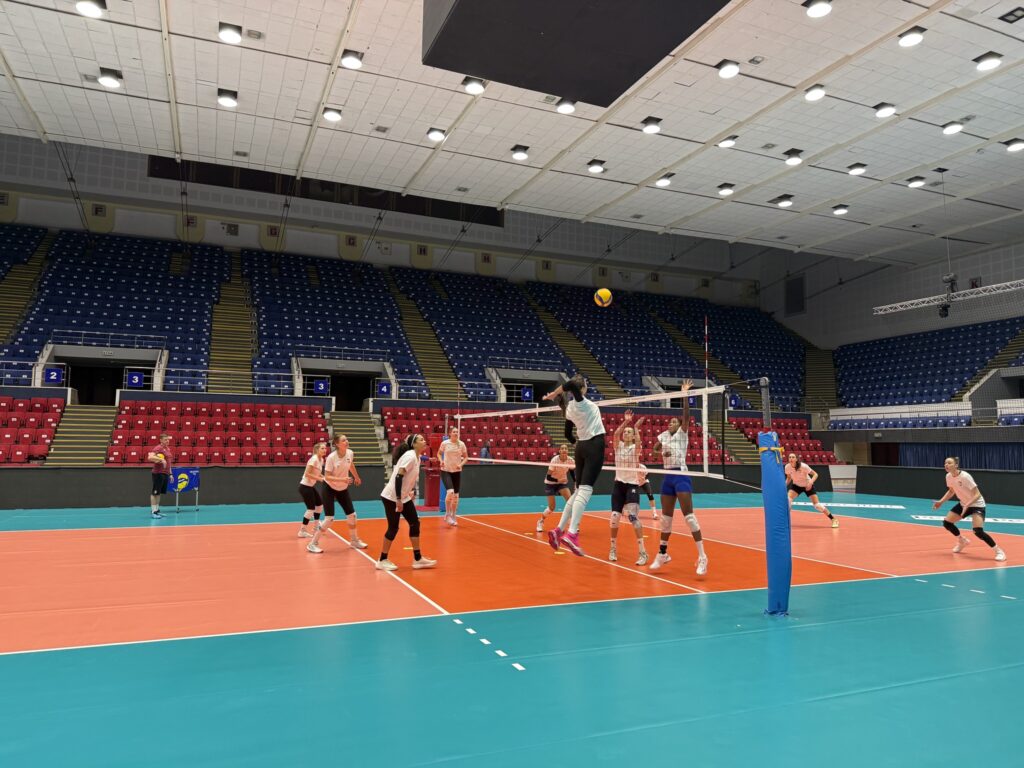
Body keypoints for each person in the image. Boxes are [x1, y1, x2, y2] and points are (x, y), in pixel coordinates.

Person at [543, 374, 605, 556]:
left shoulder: (570, 408)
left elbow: (567, 434)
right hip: (594, 444)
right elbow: (570, 384)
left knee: (578, 491)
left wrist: (575, 443)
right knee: (585, 490)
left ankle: (559, 530)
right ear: (582, 388)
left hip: (581, 447)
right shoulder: (582, 402)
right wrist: (555, 393)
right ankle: (572, 533)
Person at [650, 380, 707, 575]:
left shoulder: (682, 433)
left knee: (689, 517)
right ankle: (662, 554)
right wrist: (660, 452)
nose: (671, 423)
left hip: (681, 475)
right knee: (666, 520)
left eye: (674, 422)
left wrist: (684, 394)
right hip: (668, 477)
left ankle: (702, 557)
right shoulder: (664, 435)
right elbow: (654, 451)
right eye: (670, 422)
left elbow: (686, 415)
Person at [377, 434, 436, 571]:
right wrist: (398, 499)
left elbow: (410, 477)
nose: (424, 441)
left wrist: (410, 491)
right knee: (393, 528)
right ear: (414, 444)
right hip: (392, 497)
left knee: (415, 523)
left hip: (403, 496)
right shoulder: (410, 456)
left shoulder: (417, 457)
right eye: (421, 439)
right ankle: (382, 560)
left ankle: (418, 559)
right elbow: (399, 477)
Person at [932, 456, 1006, 561]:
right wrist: (941, 502)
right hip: (964, 504)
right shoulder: (948, 476)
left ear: (956, 465)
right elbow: (951, 491)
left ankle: (999, 551)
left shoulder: (965, 476)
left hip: (977, 504)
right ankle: (962, 541)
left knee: (978, 531)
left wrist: (967, 505)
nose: (946, 465)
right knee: (947, 523)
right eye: (945, 463)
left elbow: (977, 494)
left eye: (949, 463)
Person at [307, 434, 366, 554]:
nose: (347, 441)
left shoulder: (350, 453)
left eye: (347, 439)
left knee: (352, 515)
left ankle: (354, 540)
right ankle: (312, 544)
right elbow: (327, 476)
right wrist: (343, 479)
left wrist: (356, 477)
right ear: (337, 444)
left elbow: (350, 464)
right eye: (344, 440)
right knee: (329, 519)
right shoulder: (331, 458)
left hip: (342, 488)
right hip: (329, 487)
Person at [610, 410, 649, 566]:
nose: (625, 433)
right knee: (614, 517)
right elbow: (615, 434)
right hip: (618, 484)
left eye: (628, 432)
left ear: (633, 436)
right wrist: (626, 422)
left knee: (633, 518)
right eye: (625, 432)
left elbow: (638, 443)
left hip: (632, 485)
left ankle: (643, 552)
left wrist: (636, 429)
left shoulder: (635, 448)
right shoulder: (618, 446)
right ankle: (613, 549)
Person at [785, 453, 838, 528]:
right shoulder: (787, 467)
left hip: (807, 485)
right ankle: (786, 520)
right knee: (788, 499)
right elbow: (789, 478)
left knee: (817, 506)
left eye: (793, 457)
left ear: (796, 459)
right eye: (790, 457)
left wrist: (810, 482)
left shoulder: (803, 466)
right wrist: (783, 486)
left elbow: (815, 474)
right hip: (796, 485)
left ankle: (833, 519)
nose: (791, 458)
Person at [538, 443, 575, 533]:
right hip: (550, 483)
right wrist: (558, 480)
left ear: (567, 451)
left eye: (566, 448)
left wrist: (576, 482)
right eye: (562, 448)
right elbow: (548, 477)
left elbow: (572, 472)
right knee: (552, 507)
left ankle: (571, 524)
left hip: (562, 484)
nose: (564, 450)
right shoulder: (554, 460)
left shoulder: (570, 460)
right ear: (559, 451)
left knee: (570, 502)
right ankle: (541, 521)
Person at [438, 426, 468, 526]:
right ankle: (447, 514)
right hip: (446, 470)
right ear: (450, 433)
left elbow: (466, 457)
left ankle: (453, 515)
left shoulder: (461, 444)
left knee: (456, 496)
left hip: (456, 471)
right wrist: (441, 461)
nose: (456, 433)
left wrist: (461, 464)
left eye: (457, 432)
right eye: (454, 432)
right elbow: (439, 454)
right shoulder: (445, 443)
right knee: (450, 492)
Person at [297, 442, 328, 537]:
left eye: (325, 448)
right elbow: (307, 474)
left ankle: (316, 527)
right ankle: (302, 531)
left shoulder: (321, 460)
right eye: (322, 448)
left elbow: (317, 473)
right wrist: (320, 479)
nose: (325, 450)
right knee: (311, 509)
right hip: (305, 487)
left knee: (319, 505)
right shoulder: (313, 459)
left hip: (310, 486)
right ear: (317, 450)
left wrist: (325, 478)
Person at [146, 433, 174, 519]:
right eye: (165, 440)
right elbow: (150, 457)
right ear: (161, 440)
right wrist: (161, 459)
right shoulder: (158, 448)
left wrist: (170, 474)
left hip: (165, 473)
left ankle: (157, 511)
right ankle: (153, 512)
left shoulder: (167, 449)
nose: (167, 441)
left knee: (158, 493)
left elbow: (169, 463)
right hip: (158, 473)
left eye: (168, 439)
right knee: (154, 493)